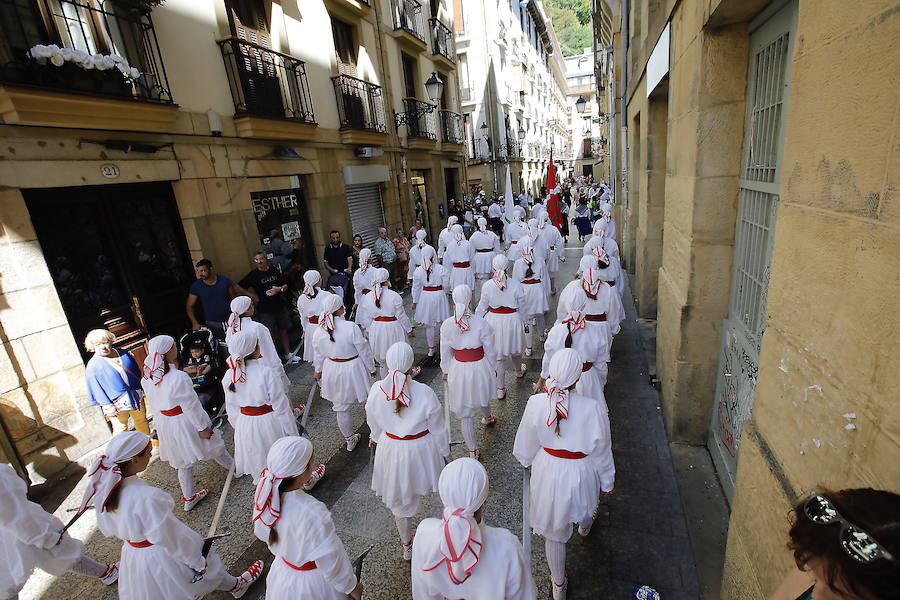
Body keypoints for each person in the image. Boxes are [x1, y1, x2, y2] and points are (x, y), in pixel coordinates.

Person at [80, 431, 264, 599]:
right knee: (201, 572)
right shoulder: (146, 498)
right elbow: (170, 537)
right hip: (158, 552)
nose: (151, 454)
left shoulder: (105, 487)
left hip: (134, 553)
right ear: (134, 460)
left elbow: (108, 526)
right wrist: (197, 561)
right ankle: (236, 585)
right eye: (147, 452)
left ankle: (236, 586)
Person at [513, 349, 615, 600]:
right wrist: (608, 480)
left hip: (548, 469)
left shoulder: (536, 403)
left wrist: (527, 460)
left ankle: (558, 584)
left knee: (555, 532)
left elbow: (526, 441)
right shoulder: (593, 408)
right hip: (582, 470)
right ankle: (584, 525)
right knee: (586, 504)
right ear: (578, 377)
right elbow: (602, 449)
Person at [366, 342, 450, 560]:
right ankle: (441, 536)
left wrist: (375, 437)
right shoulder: (425, 392)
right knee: (433, 491)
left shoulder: (377, 390)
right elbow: (438, 429)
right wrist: (446, 455)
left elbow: (373, 422)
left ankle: (407, 545)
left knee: (399, 500)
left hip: (391, 448)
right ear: (412, 367)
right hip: (421, 449)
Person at [253, 436, 363, 600]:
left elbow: (262, 531)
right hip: (314, 583)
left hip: (283, 575)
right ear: (302, 472)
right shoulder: (312, 510)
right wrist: (351, 586)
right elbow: (330, 558)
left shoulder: (266, 494)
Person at [411, 458, 537, 600]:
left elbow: (421, 592)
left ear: (443, 496)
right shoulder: (507, 546)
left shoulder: (424, 532)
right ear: (484, 500)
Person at [141, 335, 234, 511]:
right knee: (214, 445)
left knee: (182, 460)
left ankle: (189, 497)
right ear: (169, 351)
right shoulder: (178, 377)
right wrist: (202, 427)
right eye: (174, 345)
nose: (176, 348)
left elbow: (153, 405)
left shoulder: (147, 378)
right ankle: (234, 469)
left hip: (166, 422)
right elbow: (191, 406)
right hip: (184, 421)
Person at [0, 463, 119, 600]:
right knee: (8, 586)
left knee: (62, 550)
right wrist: (47, 539)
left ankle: (106, 573)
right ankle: (107, 573)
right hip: (17, 532)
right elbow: (17, 517)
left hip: (16, 530)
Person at [768, 488, 900, 600]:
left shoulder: (833, 573)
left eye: (839, 597)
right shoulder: (827, 567)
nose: (815, 595)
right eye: (815, 579)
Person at [224, 329, 304, 484]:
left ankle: (265, 495)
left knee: (259, 463)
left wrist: (240, 428)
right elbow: (281, 407)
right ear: (255, 349)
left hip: (245, 425)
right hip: (269, 422)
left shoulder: (229, 376)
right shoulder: (265, 372)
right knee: (279, 460)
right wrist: (292, 433)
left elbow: (232, 410)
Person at [312, 294, 375, 452]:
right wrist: (372, 368)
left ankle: (349, 440)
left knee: (340, 407)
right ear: (339, 309)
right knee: (369, 401)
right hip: (354, 367)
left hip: (332, 368)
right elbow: (363, 349)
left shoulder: (319, 330)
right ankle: (375, 434)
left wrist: (318, 370)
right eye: (342, 305)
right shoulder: (350, 327)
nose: (344, 308)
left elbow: (318, 353)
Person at [440, 285, 497, 460]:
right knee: (481, 392)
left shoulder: (447, 324)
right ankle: (487, 416)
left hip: (459, 367)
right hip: (479, 364)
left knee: (465, 412)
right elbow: (490, 349)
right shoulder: (481, 322)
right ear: (470, 300)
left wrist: (446, 370)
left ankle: (473, 451)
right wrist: (492, 366)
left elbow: (445, 351)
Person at [536, 289, 610, 407]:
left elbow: (548, 358)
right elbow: (601, 363)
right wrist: (601, 382)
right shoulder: (595, 332)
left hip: (560, 380)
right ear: (585, 305)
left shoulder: (556, 331)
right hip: (587, 380)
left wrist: (542, 379)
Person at [475, 254, 527, 399]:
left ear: (493, 268)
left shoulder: (487, 286)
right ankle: (518, 371)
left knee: (498, 356)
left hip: (493, 320)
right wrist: (526, 322)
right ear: (507, 268)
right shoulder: (516, 284)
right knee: (515, 350)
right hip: (512, 320)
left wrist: (476, 320)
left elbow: (482, 307)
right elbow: (522, 308)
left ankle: (500, 388)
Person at [84, 329, 151, 436]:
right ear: (92, 347)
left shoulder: (123, 353)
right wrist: (107, 406)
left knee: (141, 420)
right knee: (121, 428)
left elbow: (136, 371)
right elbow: (96, 388)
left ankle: (147, 444)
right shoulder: (93, 366)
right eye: (98, 345)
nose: (103, 347)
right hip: (116, 403)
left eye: (105, 342)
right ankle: (121, 451)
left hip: (135, 396)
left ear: (111, 341)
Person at [239, 252, 299, 364]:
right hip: (265, 309)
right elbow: (239, 286)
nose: (259, 262)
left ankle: (287, 353)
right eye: (256, 260)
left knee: (284, 330)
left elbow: (285, 284)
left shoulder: (274, 270)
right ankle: (274, 357)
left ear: (265, 259)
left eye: (261, 259)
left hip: (279, 305)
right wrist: (252, 295)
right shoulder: (254, 274)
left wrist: (279, 289)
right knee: (268, 334)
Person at [226, 296, 291, 394]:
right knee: (278, 397)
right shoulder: (257, 327)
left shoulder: (231, 330)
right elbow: (269, 352)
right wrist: (278, 371)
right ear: (248, 309)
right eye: (251, 305)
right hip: (262, 367)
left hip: (242, 370)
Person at [358, 268, 414, 377]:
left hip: (376, 328)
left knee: (382, 360)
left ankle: (386, 382)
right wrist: (409, 329)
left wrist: (367, 330)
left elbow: (367, 317)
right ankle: (401, 380)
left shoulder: (368, 297)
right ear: (387, 280)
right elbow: (401, 316)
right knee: (397, 356)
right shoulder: (394, 296)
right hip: (393, 328)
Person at [186, 259, 243, 337]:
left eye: (203, 270)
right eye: (198, 271)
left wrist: (238, 317)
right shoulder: (197, 286)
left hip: (230, 320)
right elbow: (189, 306)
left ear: (211, 269)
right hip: (212, 323)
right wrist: (194, 322)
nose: (200, 274)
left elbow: (234, 299)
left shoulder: (224, 280)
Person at [411, 246, 450, 357]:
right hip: (439, 295)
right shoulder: (441, 268)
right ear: (433, 255)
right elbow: (447, 284)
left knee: (429, 325)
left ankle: (431, 348)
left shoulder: (418, 271)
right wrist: (445, 293)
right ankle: (447, 345)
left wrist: (415, 301)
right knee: (444, 322)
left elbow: (416, 288)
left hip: (425, 297)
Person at [512, 240, 549, 357]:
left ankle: (529, 347)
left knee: (527, 319)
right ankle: (542, 336)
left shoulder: (518, 263)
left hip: (524, 290)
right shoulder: (540, 261)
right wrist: (546, 293)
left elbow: (515, 281)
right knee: (540, 315)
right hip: (538, 289)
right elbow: (545, 278)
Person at [296, 270, 335, 364]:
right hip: (325, 327)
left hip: (311, 329)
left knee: (318, 357)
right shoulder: (327, 295)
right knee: (330, 355)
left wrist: (305, 329)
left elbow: (303, 318)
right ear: (318, 280)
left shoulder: (302, 298)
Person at [444, 223, 476, 292]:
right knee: (468, 291)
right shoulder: (468, 243)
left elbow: (448, 262)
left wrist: (449, 274)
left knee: (457, 291)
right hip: (467, 270)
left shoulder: (449, 245)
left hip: (456, 271)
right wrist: (474, 271)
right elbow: (472, 258)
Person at [470, 217, 501, 282]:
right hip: (491, 256)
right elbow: (497, 248)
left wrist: (473, 265)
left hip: (479, 258)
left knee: (483, 278)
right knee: (494, 277)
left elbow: (471, 252)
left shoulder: (474, 236)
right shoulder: (492, 234)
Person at [352, 248, 376, 328]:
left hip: (364, 299)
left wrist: (357, 302)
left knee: (366, 321)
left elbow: (358, 290)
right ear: (369, 258)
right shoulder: (375, 271)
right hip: (375, 297)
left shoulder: (357, 273)